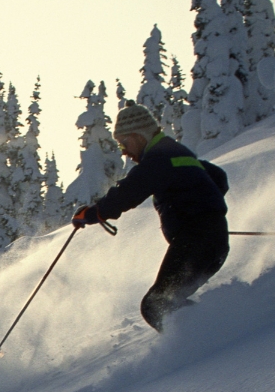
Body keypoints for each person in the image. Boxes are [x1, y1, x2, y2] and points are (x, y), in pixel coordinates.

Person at [72, 101, 230, 331]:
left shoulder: (159, 158)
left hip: (197, 240)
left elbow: (129, 191)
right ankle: (218, 330)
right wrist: (205, 210)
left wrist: (94, 213)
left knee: (156, 305)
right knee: (164, 302)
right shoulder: (176, 152)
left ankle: (214, 335)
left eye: (124, 142)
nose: (124, 151)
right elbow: (218, 177)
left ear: (139, 136)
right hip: (209, 240)